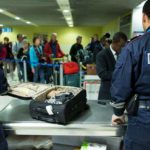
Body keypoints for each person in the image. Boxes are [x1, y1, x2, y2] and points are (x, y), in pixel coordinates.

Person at [111, 1, 150, 150]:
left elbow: (121, 84)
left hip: (144, 118)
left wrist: (118, 112)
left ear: (144, 17)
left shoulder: (135, 46)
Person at [96, 32, 127, 104]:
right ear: (114, 43)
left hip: (120, 95)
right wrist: (121, 74)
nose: (123, 48)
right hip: (106, 94)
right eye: (121, 46)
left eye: (124, 46)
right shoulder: (102, 55)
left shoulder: (124, 55)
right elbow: (102, 74)